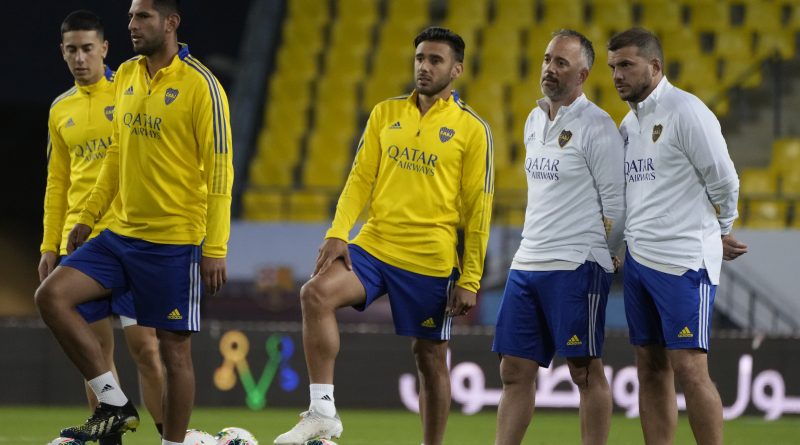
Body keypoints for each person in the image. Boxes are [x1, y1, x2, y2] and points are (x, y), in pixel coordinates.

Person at [274, 26, 494, 445]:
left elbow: (478, 210)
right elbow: (360, 178)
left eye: (435, 60)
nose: (424, 67)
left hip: (429, 260)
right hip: (375, 246)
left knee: (429, 357)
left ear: (457, 70)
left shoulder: (472, 129)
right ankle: (322, 412)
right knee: (314, 294)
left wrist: (470, 277)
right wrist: (338, 232)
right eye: (420, 58)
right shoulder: (385, 113)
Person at [34, 1, 233, 444]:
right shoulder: (126, 74)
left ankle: (172, 441)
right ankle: (114, 405)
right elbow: (116, 155)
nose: (132, 25)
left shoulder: (202, 86)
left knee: (171, 352)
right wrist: (86, 215)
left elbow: (221, 173)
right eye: (130, 16)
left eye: (142, 16)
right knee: (52, 297)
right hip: (119, 236)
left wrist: (216, 247)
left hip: (173, 241)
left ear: (171, 22)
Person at [607, 27, 747, 445]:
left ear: (655, 66)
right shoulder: (627, 125)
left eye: (626, 65)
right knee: (649, 367)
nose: (617, 75)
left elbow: (725, 180)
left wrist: (722, 230)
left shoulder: (686, 111)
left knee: (689, 368)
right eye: (613, 67)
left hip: (683, 262)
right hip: (639, 263)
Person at [492, 30, 624, 445]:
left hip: (576, 265)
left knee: (583, 370)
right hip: (527, 262)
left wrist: (610, 255)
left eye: (561, 63)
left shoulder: (598, 126)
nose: (550, 68)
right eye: (548, 59)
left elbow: (617, 205)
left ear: (582, 75)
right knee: (513, 370)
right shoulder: (533, 120)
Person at [40, 10, 166, 444]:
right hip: (83, 245)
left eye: (87, 49)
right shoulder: (61, 109)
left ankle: (170, 437)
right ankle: (109, 438)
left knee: (146, 349)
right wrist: (49, 245)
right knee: (95, 353)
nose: (80, 58)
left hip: (131, 239)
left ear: (105, 49)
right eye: (72, 50)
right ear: (62, 52)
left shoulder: (130, 91)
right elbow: (57, 183)